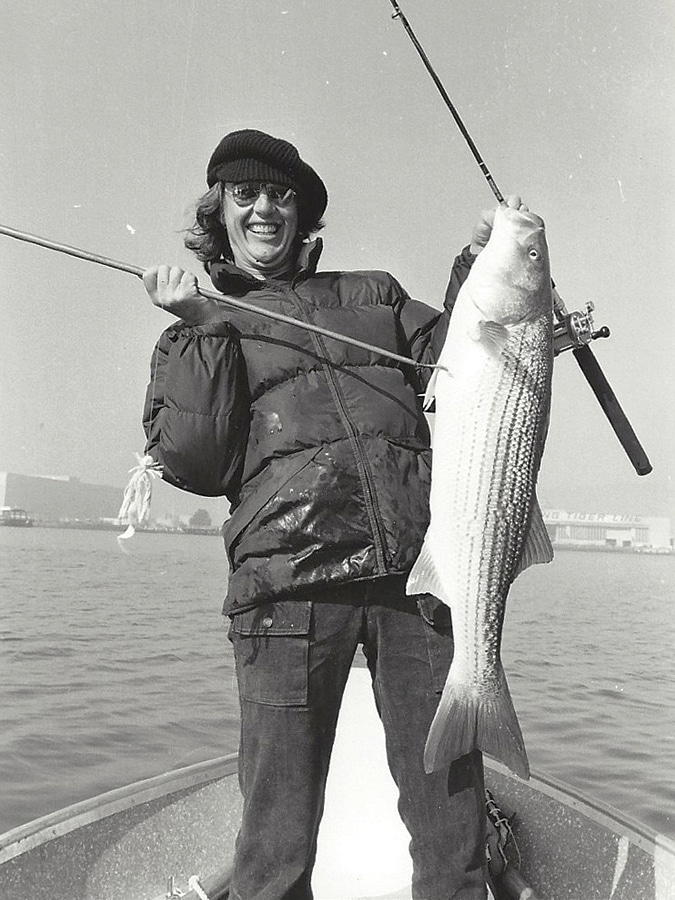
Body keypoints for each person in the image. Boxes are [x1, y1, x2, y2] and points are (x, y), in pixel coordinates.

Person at [142, 128, 517, 900]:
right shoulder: (198, 325)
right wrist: (203, 331)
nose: (264, 210)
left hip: (416, 577)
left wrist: (484, 263)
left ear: (302, 211)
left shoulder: (372, 294)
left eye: (281, 195)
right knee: (275, 844)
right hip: (287, 589)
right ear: (218, 209)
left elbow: (472, 358)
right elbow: (195, 461)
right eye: (244, 194)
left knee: (451, 830)